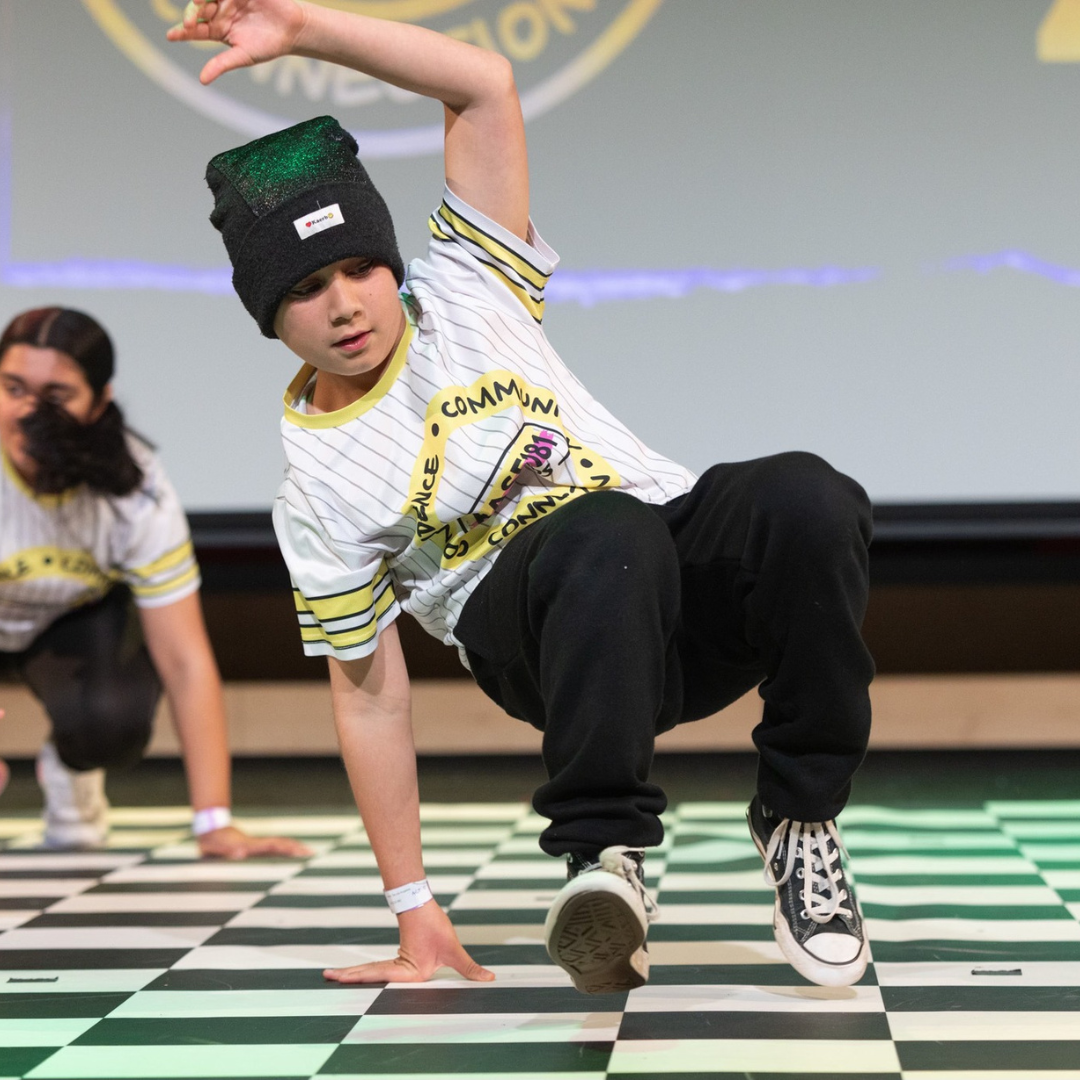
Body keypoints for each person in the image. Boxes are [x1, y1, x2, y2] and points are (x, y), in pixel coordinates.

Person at [169, 0, 875, 990]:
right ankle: (605, 859)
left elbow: (484, 85)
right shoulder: (317, 486)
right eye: (305, 285)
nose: (345, 302)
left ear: (392, 263)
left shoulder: (468, 286)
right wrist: (414, 910)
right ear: (266, 313)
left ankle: (800, 818)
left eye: (362, 266)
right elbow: (370, 703)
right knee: (598, 531)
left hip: (671, 584)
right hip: (545, 638)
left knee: (808, 496)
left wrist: (304, 30)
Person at [0, 306, 310, 860]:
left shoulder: (134, 488)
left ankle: (73, 764)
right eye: (12, 388)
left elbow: (185, 660)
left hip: (68, 621)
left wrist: (214, 821)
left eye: (56, 396)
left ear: (99, 402)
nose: (28, 413)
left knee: (112, 721)